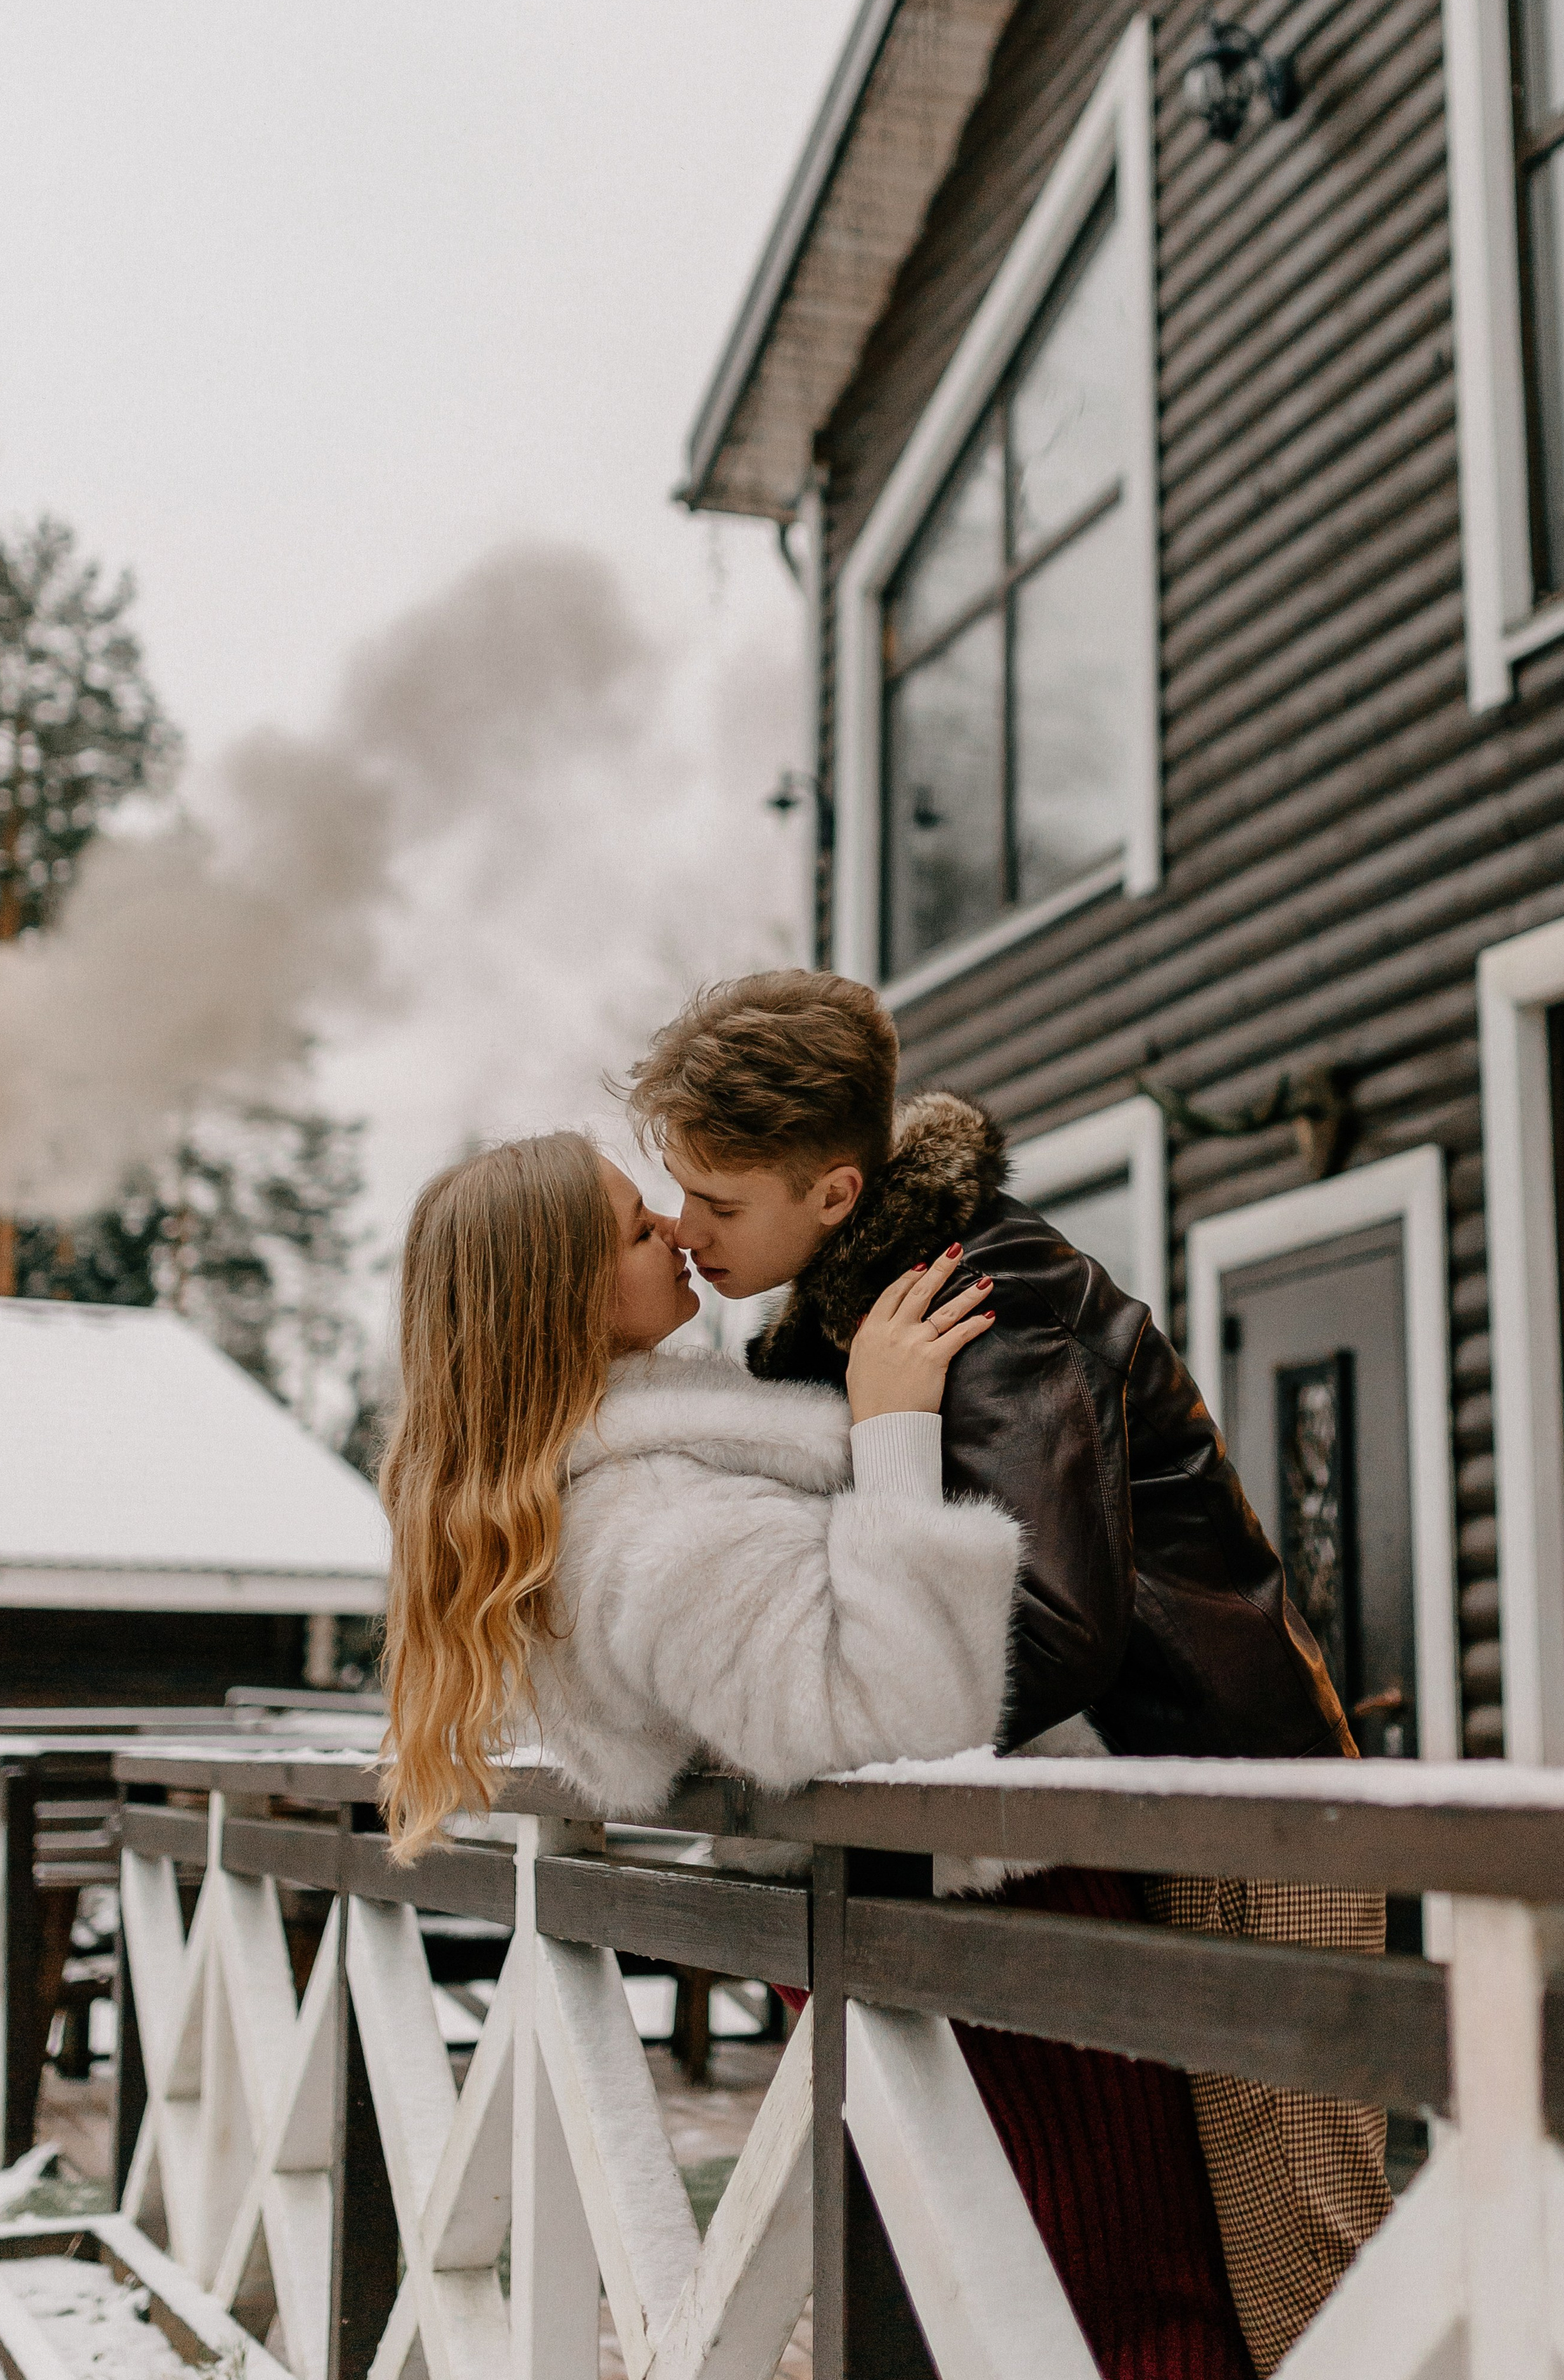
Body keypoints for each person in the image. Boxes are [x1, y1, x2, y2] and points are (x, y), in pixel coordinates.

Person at [622, 968, 1392, 2376]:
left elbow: (1047, 1628)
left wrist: (824, 1709)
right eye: (673, 1192)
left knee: (1304, 2263)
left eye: (719, 1204)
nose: (685, 1229)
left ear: (839, 1195)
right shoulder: (860, 1314)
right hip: (1155, 1810)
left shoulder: (990, 1312)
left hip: (1247, 1806)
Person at [379, 1129, 1020, 1860]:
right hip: (984, 1922)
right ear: (568, 1301)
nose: (678, 1232)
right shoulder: (662, 1524)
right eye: (638, 1231)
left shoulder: (601, 1494)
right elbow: (906, 1736)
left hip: (882, 1926)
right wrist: (893, 1434)